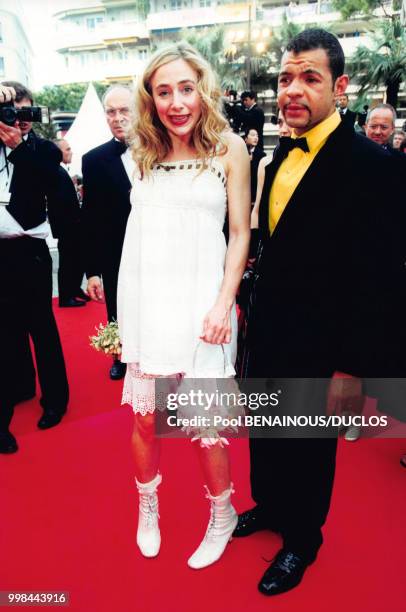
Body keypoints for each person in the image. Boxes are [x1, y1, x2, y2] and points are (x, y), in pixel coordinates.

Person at [236, 29, 405, 596]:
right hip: (270, 327)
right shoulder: (279, 152)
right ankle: (271, 507)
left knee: (308, 445)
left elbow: (380, 277)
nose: (293, 90)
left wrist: (353, 366)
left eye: (309, 77)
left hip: (325, 340)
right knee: (266, 429)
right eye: (285, 78)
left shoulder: (373, 164)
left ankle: (303, 540)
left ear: (340, 85)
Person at [117, 42, 250, 568]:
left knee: (204, 421)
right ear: (150, 98)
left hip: (204, 309)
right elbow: (136, 240)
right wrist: (125, 317)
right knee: (147, 420)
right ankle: (147, 505)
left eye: (186, 89)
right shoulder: (141, 154)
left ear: (203, 90)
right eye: (164, 91)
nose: (177, 102)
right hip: (148, 303)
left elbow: (239, 233)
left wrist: (224, 303)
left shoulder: (228, 148)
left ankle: (224, 514)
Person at [0, 82, 69, 452]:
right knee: (6, 333)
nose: (19, 121)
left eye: (26, 113)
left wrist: (17, 147)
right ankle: (15, 394)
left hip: (31, 251)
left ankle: (55, 401)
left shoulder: (44, 151)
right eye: (12, 113)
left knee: (42, 329)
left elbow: (50, 184)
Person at [82, 85, 134, 380]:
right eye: (111, 112)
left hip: (156, 245)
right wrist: (91, 271)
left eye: (124, 110)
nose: (117, 117)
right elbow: (90, 218)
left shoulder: (161, 151)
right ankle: (120, 355)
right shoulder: (93, 160)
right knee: (116, 304)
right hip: (114, 249)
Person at [50, 139, 87, 307]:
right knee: (67, 261)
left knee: (77, 258)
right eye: (67, 149)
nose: (71, 152)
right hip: (67, 226)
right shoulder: (56, 172)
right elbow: (60, 203)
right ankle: (66, 296)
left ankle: (74, 288)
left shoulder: (62, 171)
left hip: (73, 225)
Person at [244, 128, 266, 204]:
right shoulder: (241, 153)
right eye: (253, 135)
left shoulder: (262, 155)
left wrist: (251, 162)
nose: (256, 138)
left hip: (255, 194)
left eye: (257, 136)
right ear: (245, 139)